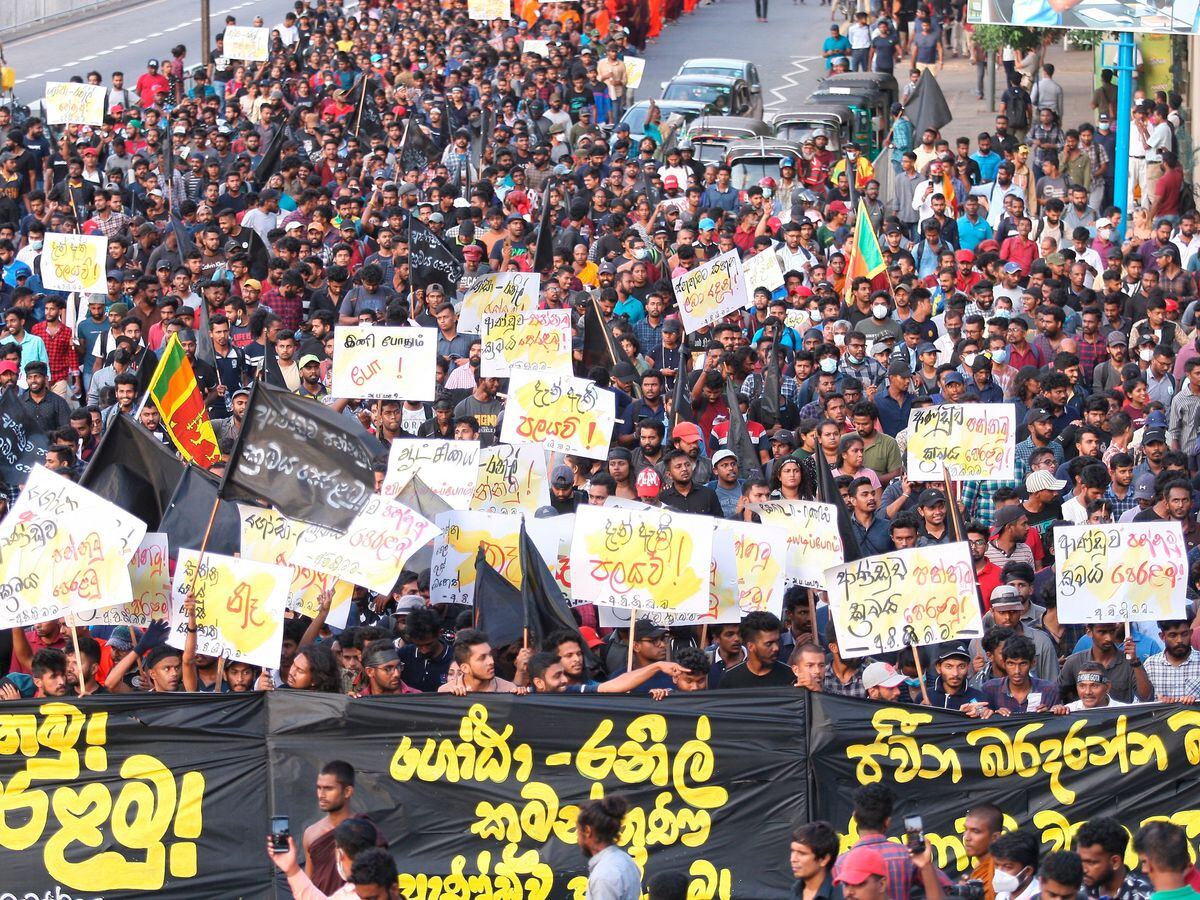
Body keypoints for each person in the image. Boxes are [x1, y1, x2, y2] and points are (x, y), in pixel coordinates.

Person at [577, 796, 641, 900]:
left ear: (587, 831)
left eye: (578, 830)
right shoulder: (625, 860)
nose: (578, 838)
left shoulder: (604, 874)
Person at [1075, 816, 1152, 900]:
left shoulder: (1145, 895)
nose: (1083, 869)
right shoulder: (1075, 894)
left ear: (1115, 862)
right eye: (1080, 861)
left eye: (1091, 862)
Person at [717, 611, 796, 688]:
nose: (776, 648)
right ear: (750, 646)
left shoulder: (791, 677)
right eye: (769, 644)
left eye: (777, 641)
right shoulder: (730, 679)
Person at [790, 821, 843, 900]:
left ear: (824, 859)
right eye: (792, 851)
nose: (793, 859)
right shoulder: (796, 890)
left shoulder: (840, 896)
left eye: (802, 853)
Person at [963, 804, 1005, 900]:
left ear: (995, 837)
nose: (967, 837)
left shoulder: (1001, 869)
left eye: (975, 831)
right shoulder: (980, 869)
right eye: (965, 829)